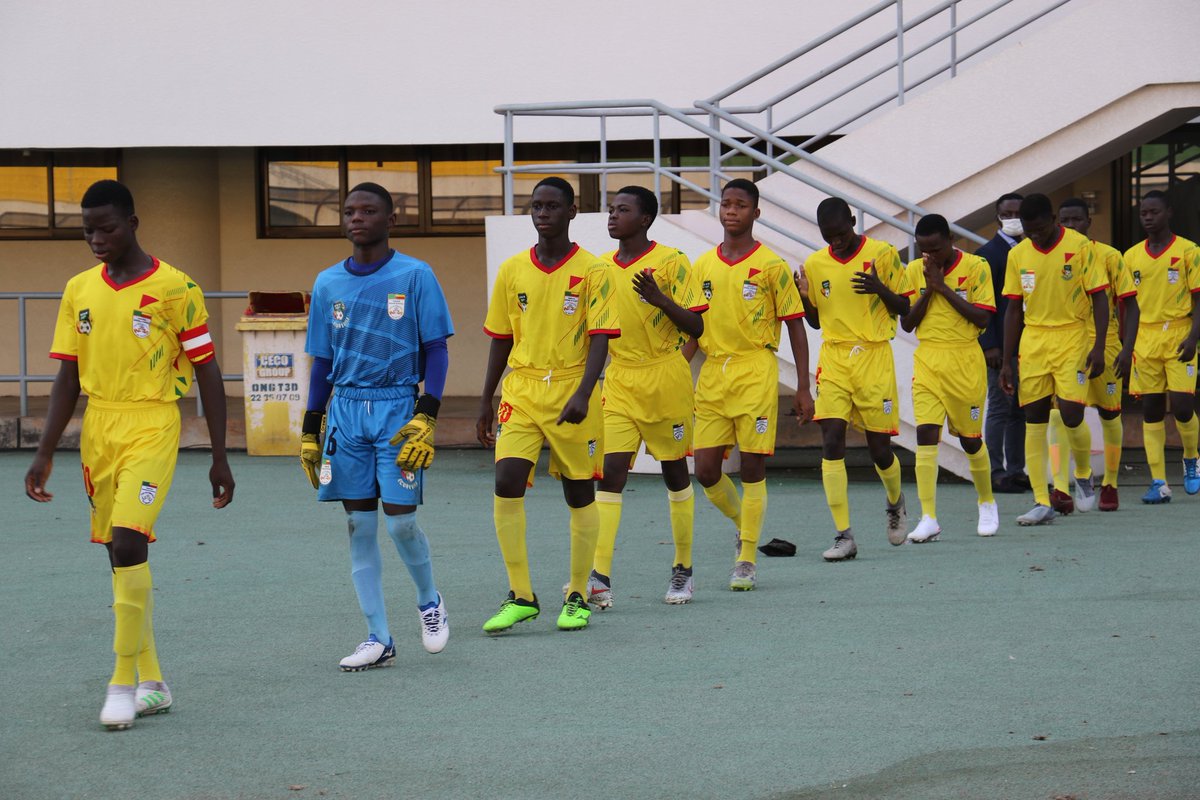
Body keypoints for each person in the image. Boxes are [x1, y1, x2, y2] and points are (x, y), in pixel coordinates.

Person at [24, 179, 235, 731]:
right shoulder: (79, 289)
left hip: (153, 423)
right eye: (87, 230)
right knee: (119, 559)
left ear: (133, 224)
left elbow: (208, 372)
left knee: (128, 540)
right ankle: (155, 683)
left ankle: (121, 684)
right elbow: (67, 375)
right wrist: (45, 451)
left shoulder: (175, 287)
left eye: (107, 228)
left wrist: (219, 455)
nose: (96, 238)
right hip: (100, 426)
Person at [301, 182, 452, 671]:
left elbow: (437, 348)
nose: (355, 218)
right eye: (349, 211)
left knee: (401, 521)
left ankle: (429, 602)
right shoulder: (327, 284)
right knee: (357, 524)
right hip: (345, 413)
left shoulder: (415, 275)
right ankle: (378, 636)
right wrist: (310, 427)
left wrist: (427, 413)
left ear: (392, 219)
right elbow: (322, 359)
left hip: (396, 412)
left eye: (368, 211)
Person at [476, 177, 619, 632]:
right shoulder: (512, 269)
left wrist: (583, 392)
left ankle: (577, 594)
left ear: (572, 211)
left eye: (553, 206)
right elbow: (501, 339)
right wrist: (485, 398)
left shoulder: (596, 271)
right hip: (522, 389)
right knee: (506, 480)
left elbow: (600, 339)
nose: (543, 213)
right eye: (536, 206)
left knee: (578, 491)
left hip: (573, 389)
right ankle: (521, 595)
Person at [686, 178, 813, 591]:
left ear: (755, 213)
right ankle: (746, 526)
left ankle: (746, 560)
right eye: (726, 204)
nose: (731, 211)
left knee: (754, 466)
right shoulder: (702, 265)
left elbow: (796, 326)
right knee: (705, 470)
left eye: (741, 205)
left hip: (755, 371)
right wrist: (675, 369)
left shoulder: (772, 266)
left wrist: (803, 386)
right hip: (714, 372)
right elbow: (693, 326)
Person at [588, 186, 707, 606]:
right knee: (611, 474)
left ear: (644, 219)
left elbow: (696, 327)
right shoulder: (600, 267)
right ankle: (599, 576)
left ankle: (683, 568)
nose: (612, 216)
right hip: (619, 379)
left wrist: (660, 299)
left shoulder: (672, 261)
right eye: (611, 209)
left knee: (674, 474)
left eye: (623, 210)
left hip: (666, 377)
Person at [797, 196, 913, 561]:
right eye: (828, 237)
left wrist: (880, 289)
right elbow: (815, 322)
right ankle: (843, 535)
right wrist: (804, 300)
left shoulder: (883, 253)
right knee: (831, 440)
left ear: (853, 220)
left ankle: (895, 502)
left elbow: (907, 309)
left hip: (874, 356)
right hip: (833, 358)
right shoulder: (815, 263)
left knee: (880, 450)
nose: (836, 242)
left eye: (841, 233)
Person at [999, 193, 1108, 525]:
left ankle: (1085, 474)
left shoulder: (1080, 247)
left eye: (1041, 229)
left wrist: (1099, 345)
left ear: (1053, 221)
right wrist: (1007, 360)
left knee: (1072, 414)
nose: (1035, 236)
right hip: (1034, 341)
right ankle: (1041, 500)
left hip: (1072, 337)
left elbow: (1100, 299)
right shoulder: (1018, 254)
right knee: (1034, 417)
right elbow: (1014, 308)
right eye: (1029, 231)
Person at [898, 214, 999, 541]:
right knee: (925, 435)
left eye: (936, 249)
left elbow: (982, 317)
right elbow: (908, 323)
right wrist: (929, 290)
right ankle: (928, 517)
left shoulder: (977, 266)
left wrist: (943, 286)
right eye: (923, 249)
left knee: (971, 440)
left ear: (950, 240)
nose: (930, 256)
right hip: (928, 359)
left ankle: (986, 501)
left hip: (965, 359)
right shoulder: (914, 271)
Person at [1048, 198, 1139, 512]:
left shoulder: (1109, 256)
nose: (1071, 225)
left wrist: (1127, 349)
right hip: (1066, 347)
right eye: (1065, 220)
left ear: (1088, 222)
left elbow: (1130, 305)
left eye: (1076, 220)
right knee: (1060, 414)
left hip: (1108, 346)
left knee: (1110, 414)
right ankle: (1061, 486)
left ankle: (1110, 483)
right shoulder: (1053, 256)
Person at [1122, 191, 1200, 503]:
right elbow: (1127, 306)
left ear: (1168, 212)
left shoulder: (1189, 251)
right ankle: (1159, 482)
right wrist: (1127, 346)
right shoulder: (1131, 257)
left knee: (1182, 407)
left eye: (1154, 212)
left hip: (1180, 332)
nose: (1148, 217)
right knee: (1151, 409)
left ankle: (1191, 459)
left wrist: (1194, 336)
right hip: (1145, 338)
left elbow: (1198, 298)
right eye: (1143, 213)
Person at [976, 193, 1029, 494]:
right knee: (999, 407)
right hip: (1000, 348)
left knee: (1020, 410)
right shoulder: (987, 254)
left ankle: (1017, 469)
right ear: (997, 216)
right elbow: (985, 304)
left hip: (1030, 344)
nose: (1013, 219)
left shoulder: (1031, 251)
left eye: (1018, 213)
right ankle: (996, 471)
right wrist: (990, 346)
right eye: (1007, 214)